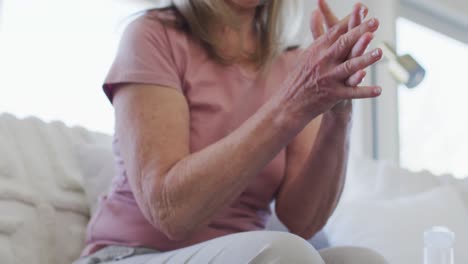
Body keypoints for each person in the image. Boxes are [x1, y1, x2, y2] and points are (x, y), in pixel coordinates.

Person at [73, 0, 389, 263]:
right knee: (284, 254)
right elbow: (171, 213)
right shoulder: (153, 35)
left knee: (363, 260)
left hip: (243, 255)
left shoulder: (291, 66)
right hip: (131, 255)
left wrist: (339, 109)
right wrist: (292, 103)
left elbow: (303, 222)